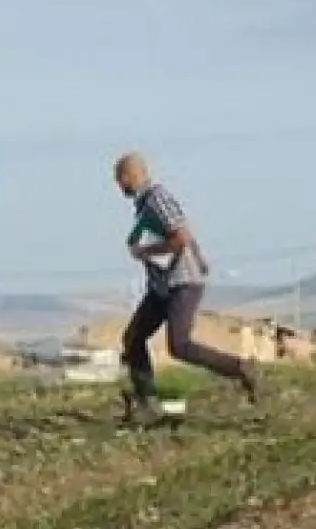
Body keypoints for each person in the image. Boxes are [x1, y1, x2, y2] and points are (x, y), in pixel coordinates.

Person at [111, 152, 262, 423]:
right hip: (162, 285)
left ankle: (241, 368)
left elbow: (180, 236)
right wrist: (199, 256)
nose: (119, 187)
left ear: (128, 176)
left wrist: (146, 251)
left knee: (179, 345)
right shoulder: (146, 204)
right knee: (134, 338)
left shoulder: (157, 198)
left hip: (181, 282)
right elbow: (184, 230)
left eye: (119, 181)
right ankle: (146, 402)